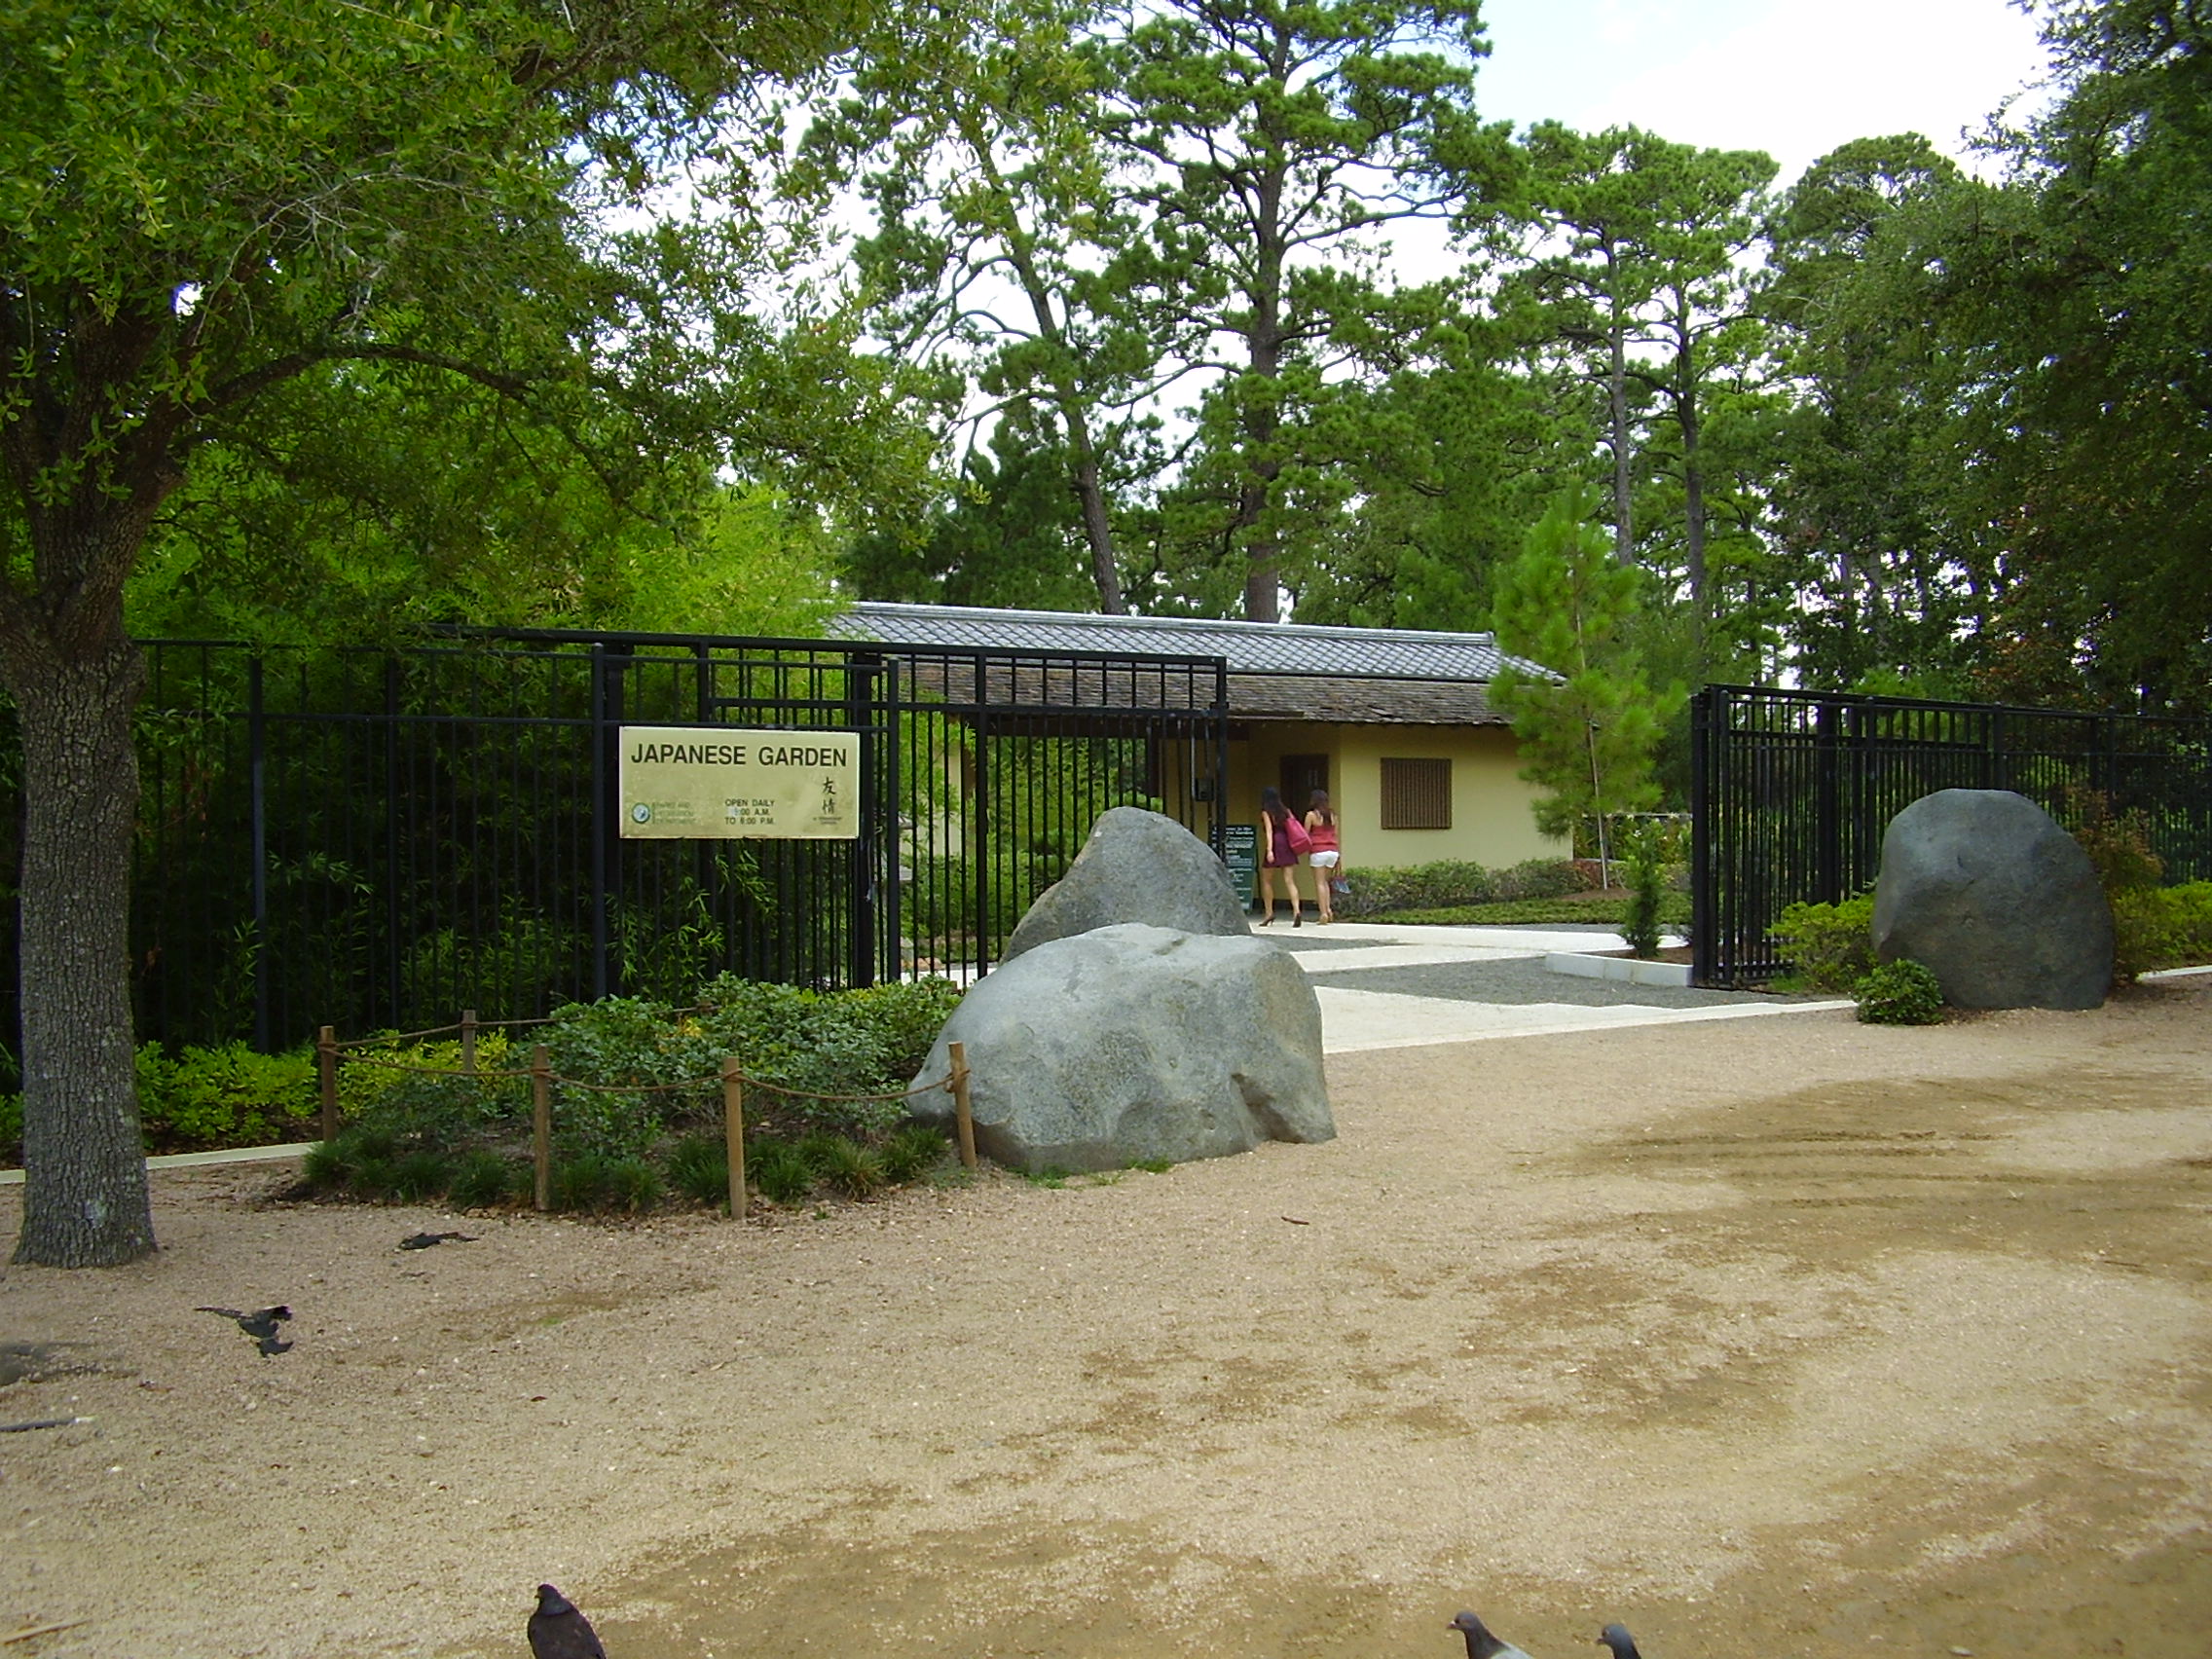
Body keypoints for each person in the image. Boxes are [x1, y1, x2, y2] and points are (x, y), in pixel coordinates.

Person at [1256, 786, 1303, 927]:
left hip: (1276, 843)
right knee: (1290, 880)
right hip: (1287, 844)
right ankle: (1296, 911)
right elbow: (1293, 825)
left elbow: (1269, 831)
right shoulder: (1286, 811)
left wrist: (1270, 850)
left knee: (1267, 880)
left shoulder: (1266, 812)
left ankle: (1269, 913)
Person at [1304, 789, 1342, 924]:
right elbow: (1335, 835)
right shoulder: (1333, 816)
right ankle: (1329, 909)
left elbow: (1305, 835)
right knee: (1325, 882)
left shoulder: (1311, 815)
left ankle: (1323, 913)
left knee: (1319, 883)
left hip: (1318, 850)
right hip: (1332, 851)